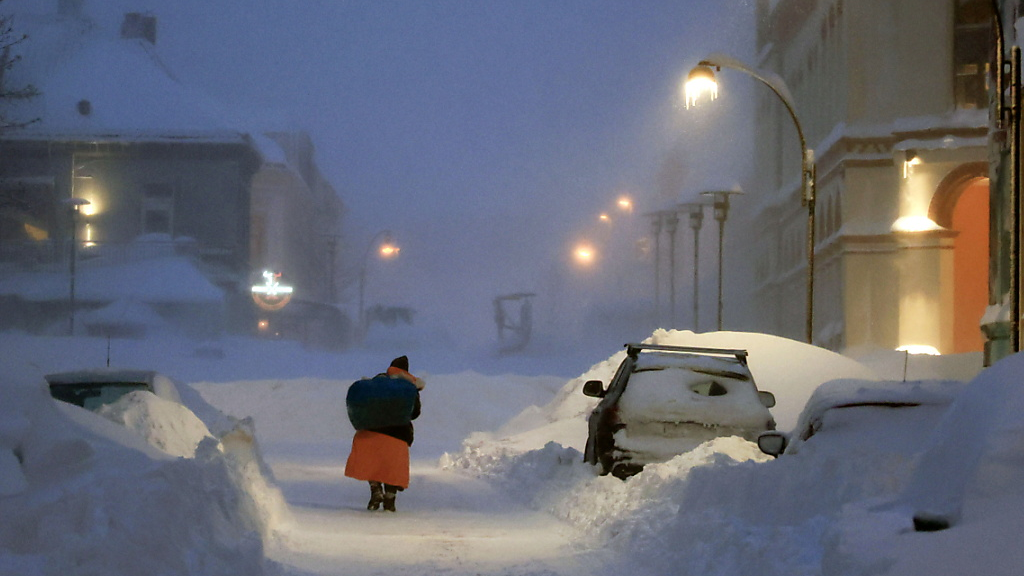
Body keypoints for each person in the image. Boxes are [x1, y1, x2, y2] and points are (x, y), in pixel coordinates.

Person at [344, 355, 424, 512]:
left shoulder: (375, 384)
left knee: (372, 463)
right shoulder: (408, 387)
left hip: (369, 432)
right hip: (397, 434)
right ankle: (389, 498)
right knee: (391, 467)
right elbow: (415, 413)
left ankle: (376, 490)